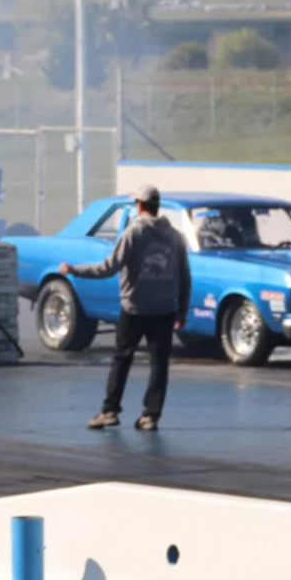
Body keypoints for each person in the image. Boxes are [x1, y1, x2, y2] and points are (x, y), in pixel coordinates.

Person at [60, 184, 191, 432]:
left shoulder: (133, 234)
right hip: (165, 310)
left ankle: (110, 410)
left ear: (139, 205)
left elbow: (108, 267)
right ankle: (151, 415)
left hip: (135, 309)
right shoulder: (175, 237)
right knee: (159, 364)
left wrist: (73, 270)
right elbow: (185, 276)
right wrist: (182, 310)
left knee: (122, 359)